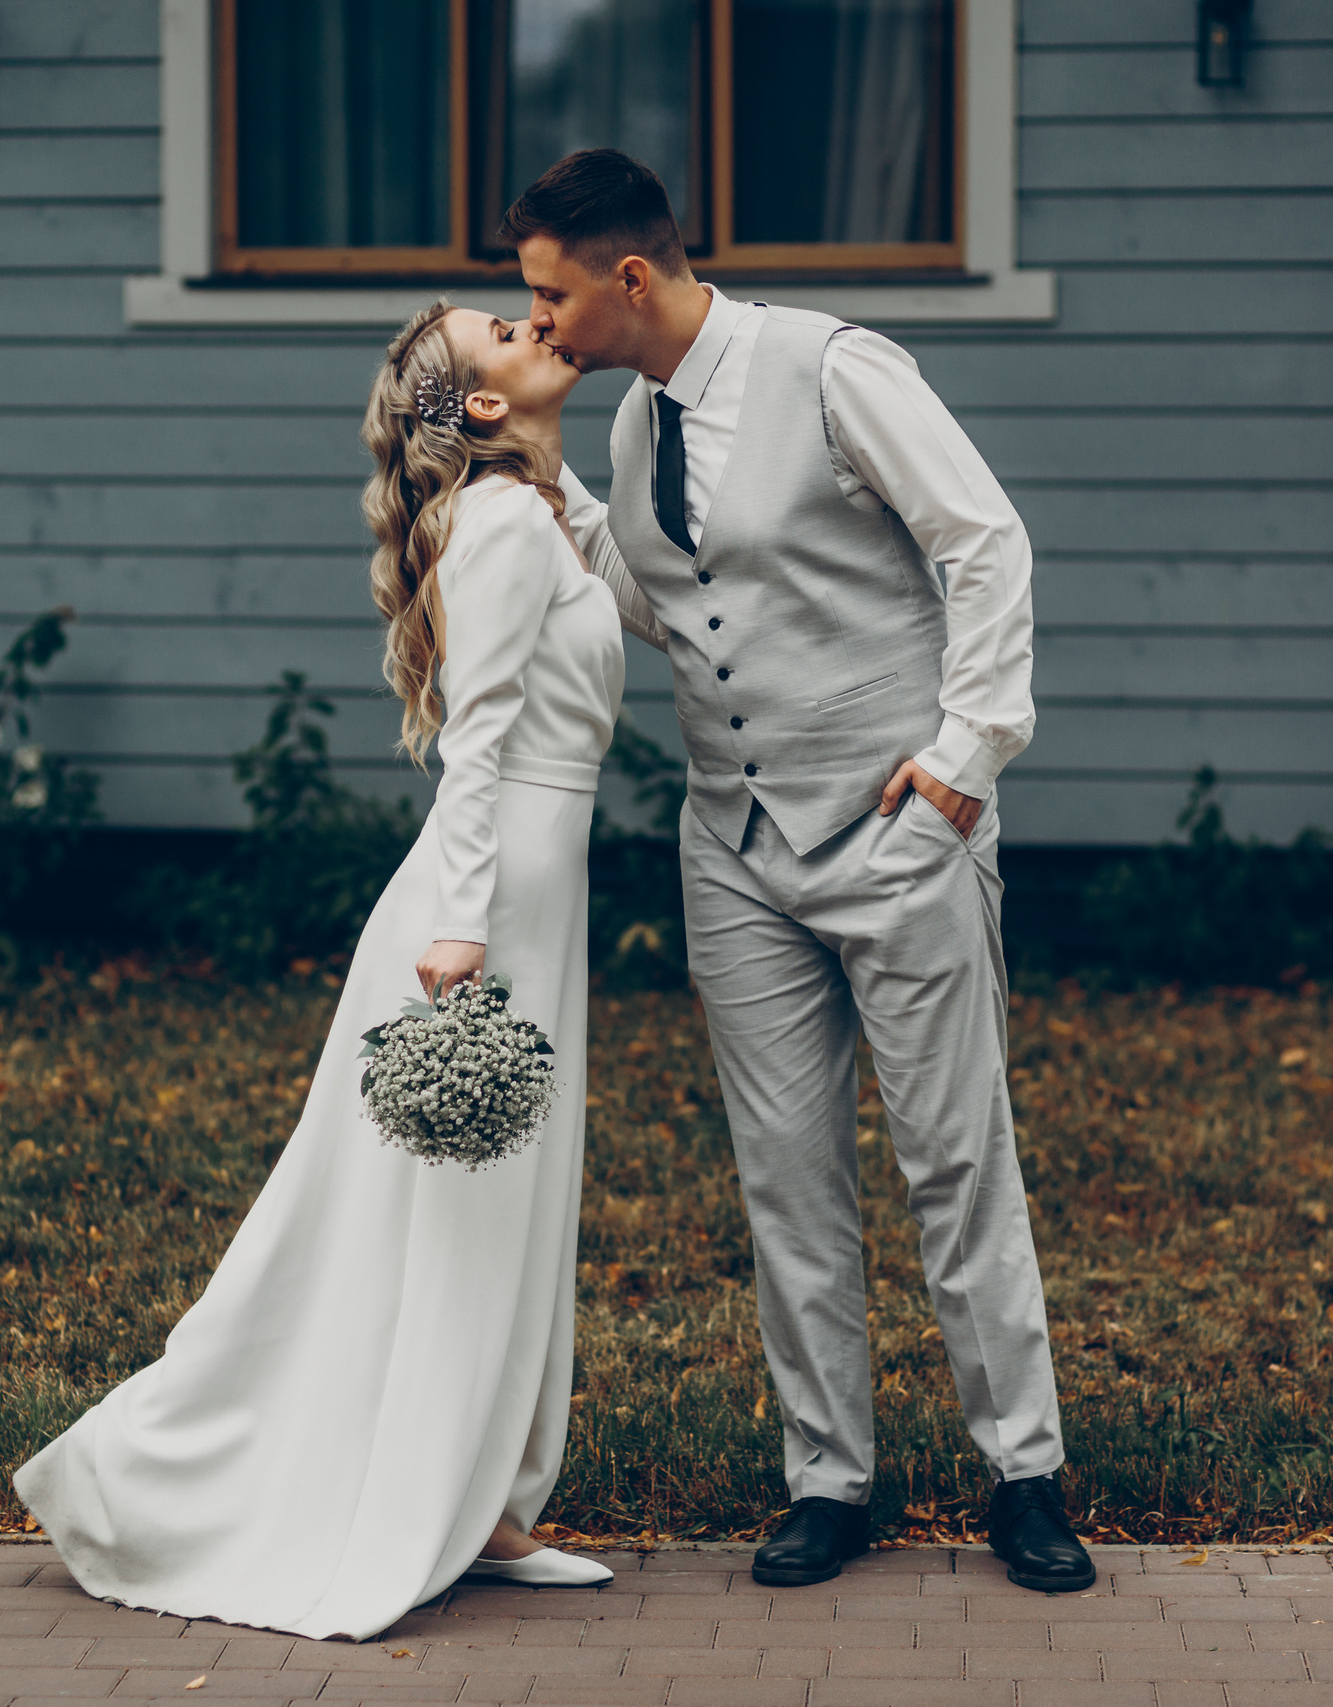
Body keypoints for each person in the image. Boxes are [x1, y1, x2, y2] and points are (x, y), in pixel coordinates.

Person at [11, 299, 667, 1642]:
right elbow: (478, 742)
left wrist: (561, 472)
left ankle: (482, 1501)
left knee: (503, 1208)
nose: (538, 321)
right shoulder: (491, 531)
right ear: (479, 405)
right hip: (477, 912)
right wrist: (463, 928)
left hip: (543, 892)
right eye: (506, 328)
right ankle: (182, 1475)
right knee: (420, 1216)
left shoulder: (535, 515)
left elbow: (638, 607)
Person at [505, 148, 1095, 1595]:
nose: (540, 321)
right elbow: (663, 604)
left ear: (627, 277)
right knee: (786, 1178)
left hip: (901, 827)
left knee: (955, 1160)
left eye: (550, 294)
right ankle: (830, 1481)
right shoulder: (641, 424)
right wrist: (544, 479)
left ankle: (1025, 1472)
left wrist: (968, 755)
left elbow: (984, 539)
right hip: (738, 847)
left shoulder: (832, 369)